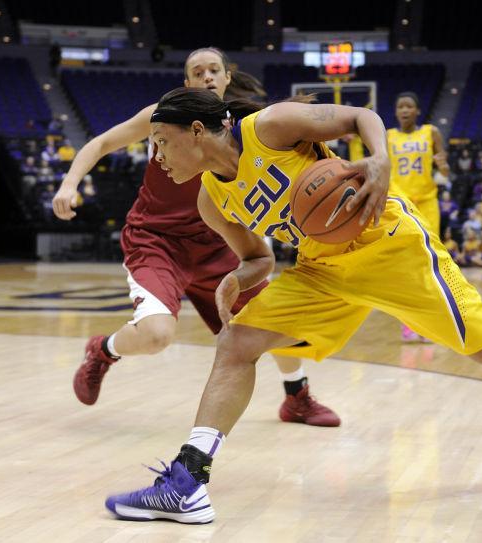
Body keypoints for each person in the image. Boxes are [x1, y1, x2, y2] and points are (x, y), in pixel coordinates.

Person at [104, 87, 482, 523]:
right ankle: (188, 482)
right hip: (321, 269)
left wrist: (380, 161)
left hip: (385, 242)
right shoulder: (209, 200)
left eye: (159, 141)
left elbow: (362, 116)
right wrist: (238, 276)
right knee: (236, 343)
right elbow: (258, 258)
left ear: (196, 131)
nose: (155, 156)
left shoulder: (269, 126)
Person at [52, 47, 339, 426]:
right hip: (157, 240)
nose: (206, 76)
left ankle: (296, 397)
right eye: (197, 72)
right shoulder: (164, 117)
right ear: (187, 82)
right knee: (156, 336)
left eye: (213, 70)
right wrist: (69, 184)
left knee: (271, 322)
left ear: (226, 78)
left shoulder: (248, 126)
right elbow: (103, 142)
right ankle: (103, 351)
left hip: (218, 245)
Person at [387, 91, 450, 342]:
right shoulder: (387, 136)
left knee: (430, 261)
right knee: (405, 264)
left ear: (417, 111)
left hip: (426, 202)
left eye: (409, 106)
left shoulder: (431, 132)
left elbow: (444, 169)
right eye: (400, 106)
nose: (404, 110)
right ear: (396, 111)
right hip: (399, 204)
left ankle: (430, 323)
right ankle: (409, 323)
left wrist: (444, 166)